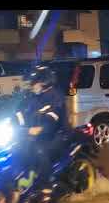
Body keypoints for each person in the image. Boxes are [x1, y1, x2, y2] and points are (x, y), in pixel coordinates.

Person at [16, 66, 69, 195]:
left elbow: (53, 118)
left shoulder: (56, 96)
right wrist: (13, 121)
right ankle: (25, 179)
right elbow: (21, 111)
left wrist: (40, 129)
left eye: (34, 83)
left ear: (44, 82)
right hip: (37, 134)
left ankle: (46, 188)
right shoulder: (33, 97)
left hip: (57, 134)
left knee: (40, 151)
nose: (32, 86)